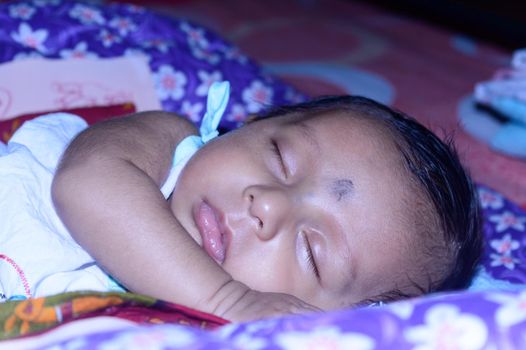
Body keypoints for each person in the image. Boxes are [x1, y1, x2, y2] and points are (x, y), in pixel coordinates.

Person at [1, 82, 482, 322]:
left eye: (311, 252)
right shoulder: (164, 145)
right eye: (279, 156)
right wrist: (231, 300)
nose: (268, 206)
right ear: (249, 125)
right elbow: (88, 185)